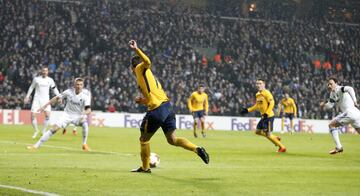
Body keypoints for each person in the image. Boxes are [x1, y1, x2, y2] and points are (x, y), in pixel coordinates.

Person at [128, 40, 209, 173]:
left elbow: (147, 61)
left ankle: (145, 167)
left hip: (157, 110)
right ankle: (197, 149)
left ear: (132, 67)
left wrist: (136, 49)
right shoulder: (149, 77)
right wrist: (143, 101)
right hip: (167, 107)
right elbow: (153, 98)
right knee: (173, 139)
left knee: (144, 139)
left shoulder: (140, 69)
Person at [27, 78, 91, 151]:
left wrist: (84, 113)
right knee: (53, 129)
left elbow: (88, 109)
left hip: (77, 116)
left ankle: (84, 144)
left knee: (85, 124)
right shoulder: (69, 92)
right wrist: (44, 106)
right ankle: (36, 146)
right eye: (77, 84)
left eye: (80, 85)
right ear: (74, 85)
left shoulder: (85, 96)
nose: (79, 86)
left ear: (83, 86)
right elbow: (56, 98)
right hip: (66, 115)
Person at [240, 79, 286, 153]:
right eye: (257, 83)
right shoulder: (258, 94)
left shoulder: (267, 93)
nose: (258, 85)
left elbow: (272, 103)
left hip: (269, 116)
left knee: (268, 134)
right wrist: (247, 110)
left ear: (264, 84)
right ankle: (274, 138)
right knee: (257, 132)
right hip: (263, 117)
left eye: (260, 83)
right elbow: (257, 106)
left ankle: (282, 147)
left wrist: (267, 113)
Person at [320, 77, 360, 154]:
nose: (329, 85)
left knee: (331, 125)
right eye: (328, 84)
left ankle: (339, 147)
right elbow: (330, 106)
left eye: (331, 83)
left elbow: (350, 89)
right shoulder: (332, 94)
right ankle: (339, 147)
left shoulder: (340, 88)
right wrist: (324, 104)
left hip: (350, 112)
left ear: (336, 83)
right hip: (355, 113)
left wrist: (355, 101)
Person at [24, 66, 60, 139]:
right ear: (41, 71)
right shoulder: (36, 79)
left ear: (48, 72)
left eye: (46, 71)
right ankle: (36, 131)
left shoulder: (50, 80)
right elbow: (31, 87)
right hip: (37, 99)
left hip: (46, 100)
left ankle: (43, 131)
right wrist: (27, 96)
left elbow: (54, 88)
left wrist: (59, 96)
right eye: (43, 70)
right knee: (33, 116)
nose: (44, 72)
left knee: (47, 116)